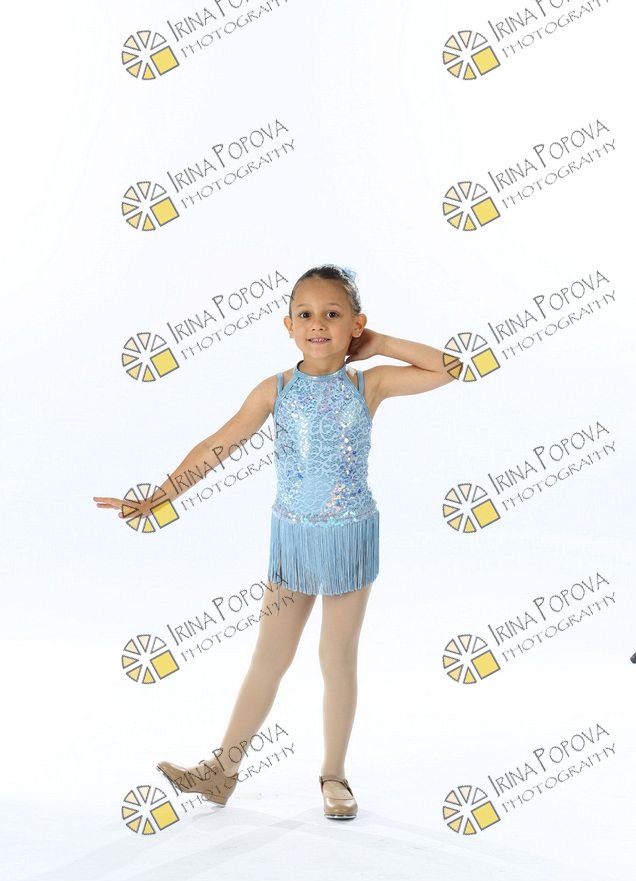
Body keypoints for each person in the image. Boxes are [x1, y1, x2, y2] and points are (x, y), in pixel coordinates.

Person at [93, 264, 460, 819]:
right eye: (305, 314)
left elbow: (451, 367)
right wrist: (160, 496)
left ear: (355, 324)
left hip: (348, 538)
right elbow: (217, 445)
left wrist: (380, 344)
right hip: (292, 539)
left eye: (333, 314)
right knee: (269, 657)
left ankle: (334, 775)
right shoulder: (276, 390)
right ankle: (222, 770)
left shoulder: (370, 383)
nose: (318, 325)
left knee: (336, 657)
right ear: (288, 326)